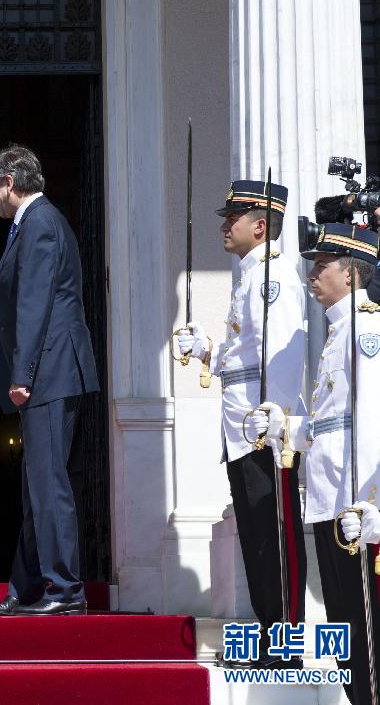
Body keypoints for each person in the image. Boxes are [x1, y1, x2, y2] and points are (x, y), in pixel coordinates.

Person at [177, 180, 307, 667]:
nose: (224, 226)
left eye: (233, 218)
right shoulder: (251, 275)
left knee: (275, 537)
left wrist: (279, 416)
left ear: (259, 226)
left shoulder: (273, 277)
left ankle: (287, 643)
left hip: (262, 430)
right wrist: (207, 350)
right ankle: (271, 636)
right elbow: (245, 353)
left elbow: (285, 353)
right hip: (241, 427)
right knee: (256, 538)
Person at [255, 223, 380, 703]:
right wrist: (286, 426)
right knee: (345, 629)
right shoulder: (338, 330)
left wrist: (370, 505)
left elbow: (370, 420)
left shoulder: (365, 330)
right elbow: (332, 423)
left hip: (354, 507)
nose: (312, 274)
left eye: (322, 265)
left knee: (366, 633)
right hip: (331, 500)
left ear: (349, 274)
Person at [0, 144, 98, 617]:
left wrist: (21, 374)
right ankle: (27, 587)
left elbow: (34, 302)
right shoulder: (34, 222)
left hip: (50, 370)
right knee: (37, 484)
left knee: (48, 484)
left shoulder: (40, 223)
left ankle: (65, 589)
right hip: (50, 369)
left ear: (9, 182)